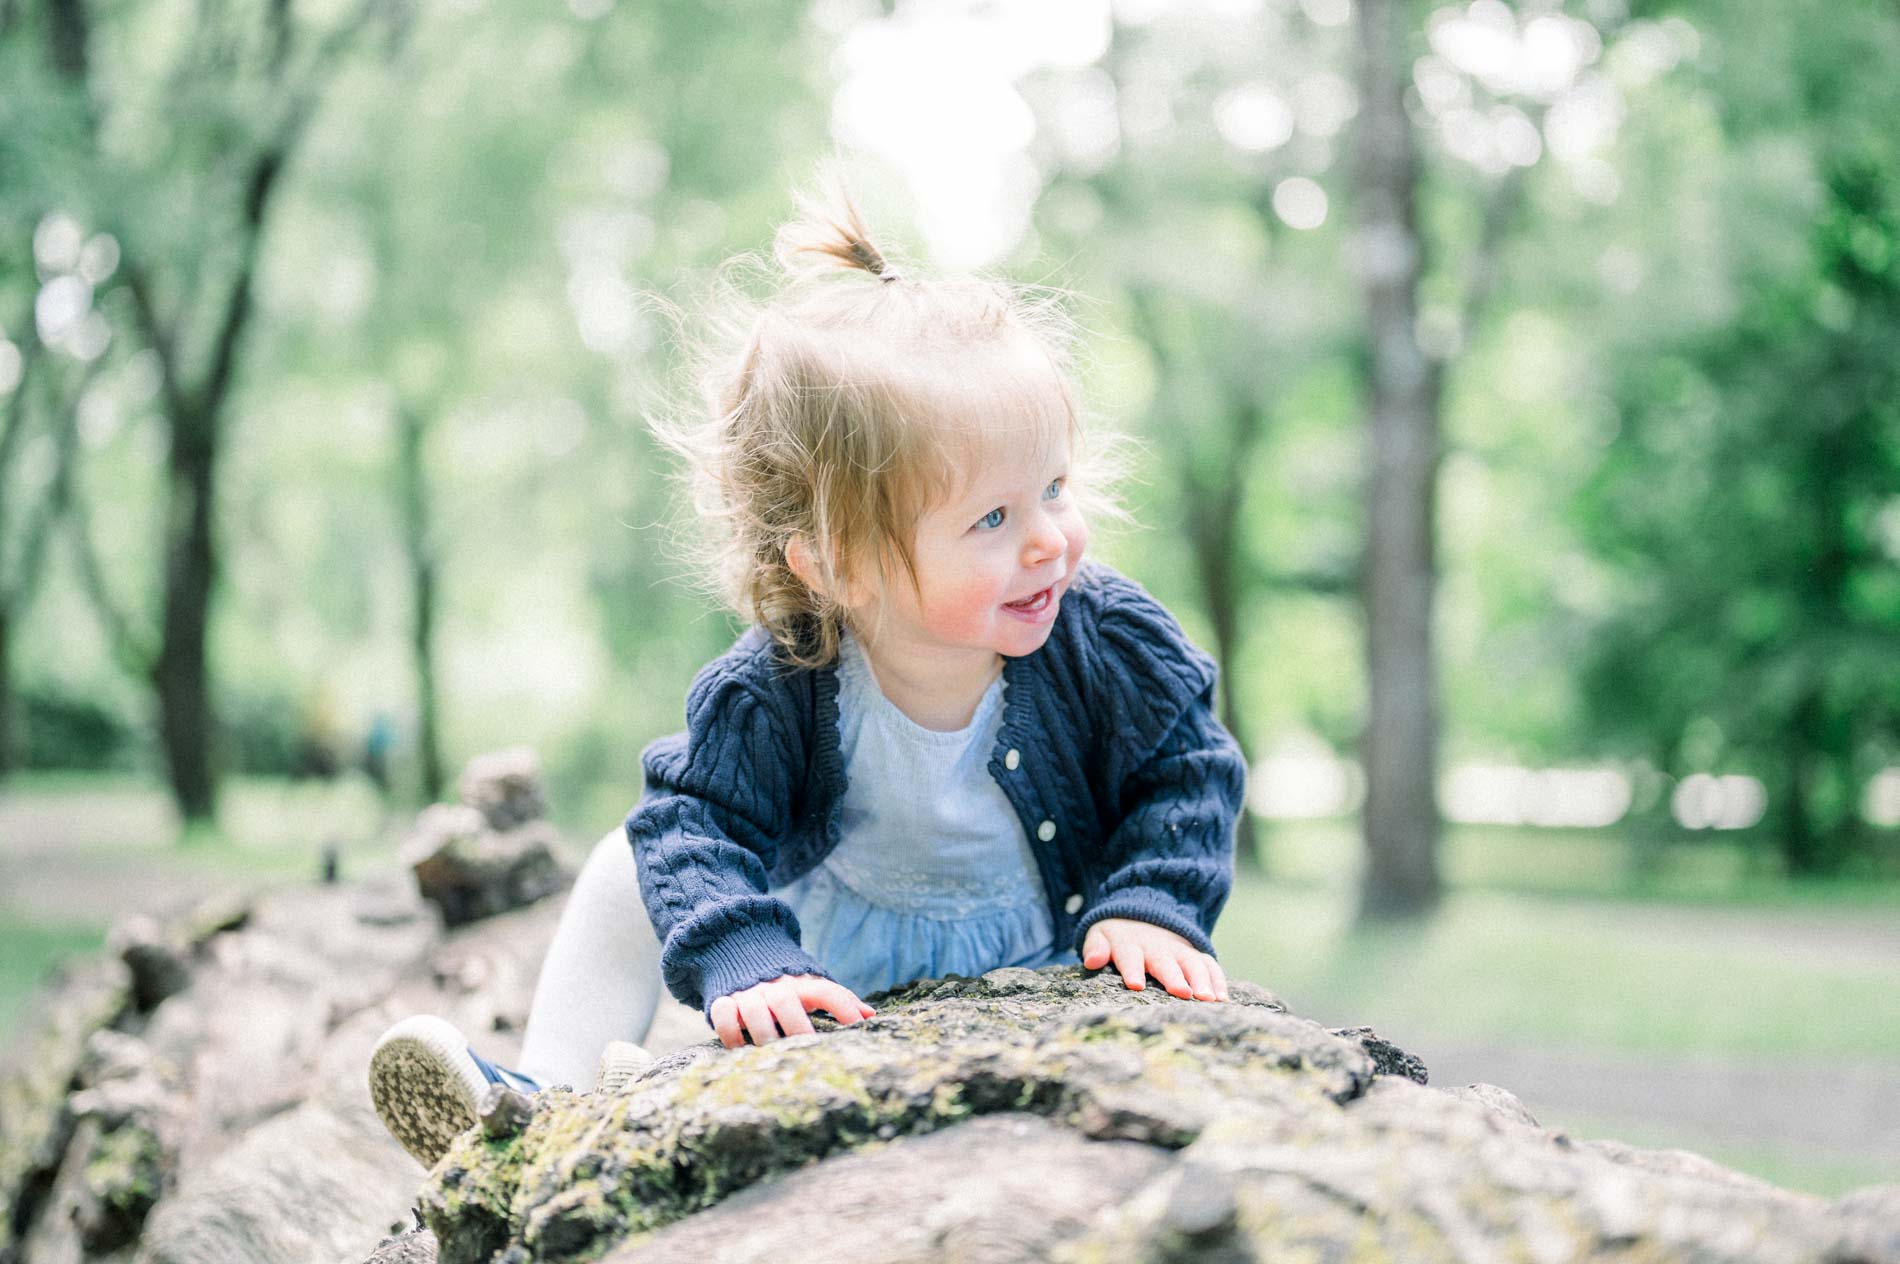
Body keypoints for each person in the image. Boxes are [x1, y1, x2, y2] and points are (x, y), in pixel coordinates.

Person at [367, 167, 1248, 1169]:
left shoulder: (1108, 640)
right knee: (629, 855)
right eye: (994, 518)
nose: (1050, 540)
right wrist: (745, 952)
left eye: (1054, 487)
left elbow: (1188, 767)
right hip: (830, 969)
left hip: (1049, 952)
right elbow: (692, 823)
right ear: (838, 563)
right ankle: (550, 1093)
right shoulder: (782, 683)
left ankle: (647, 1075)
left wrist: (1152, 902)